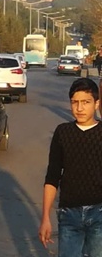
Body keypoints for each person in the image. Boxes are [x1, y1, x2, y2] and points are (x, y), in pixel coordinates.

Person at [38, 77, 102, 257]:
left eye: (86, 102)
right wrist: (45, 219)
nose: (79, 108)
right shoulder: (62, 132)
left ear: (96, 104)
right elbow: (52, 177)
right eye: (75, 102)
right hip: (69, 215)